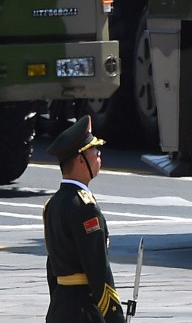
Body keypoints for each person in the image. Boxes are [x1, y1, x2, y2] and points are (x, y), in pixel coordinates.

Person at [43, 116, 125, 322]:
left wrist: (59, 304)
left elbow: (52, 267)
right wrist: (115, 317)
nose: (99, 157)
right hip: (84, 311)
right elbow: (98, 268)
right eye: (95, 152)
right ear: (81, 160)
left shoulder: (52, 205)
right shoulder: (84, 207)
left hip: (59, 308)